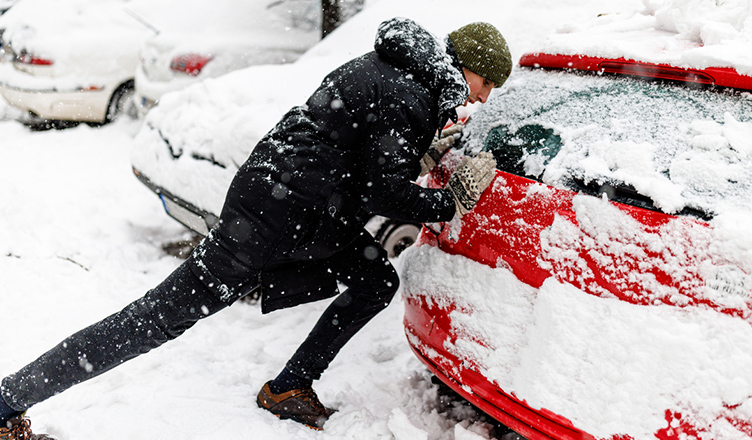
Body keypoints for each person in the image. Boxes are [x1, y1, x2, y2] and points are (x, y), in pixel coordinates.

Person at [0, 17, 512, 438]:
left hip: (298, 213)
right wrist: (452, 199)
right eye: (487, 84)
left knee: (375, 280)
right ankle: (9, 400)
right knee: (155, 319)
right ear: (467, 68)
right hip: (273, 222)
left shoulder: (403, 74)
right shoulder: (410, 92)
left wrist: (419, 157)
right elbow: (384, 193)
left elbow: (361, 158)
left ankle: (289, 388)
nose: (484, 99)